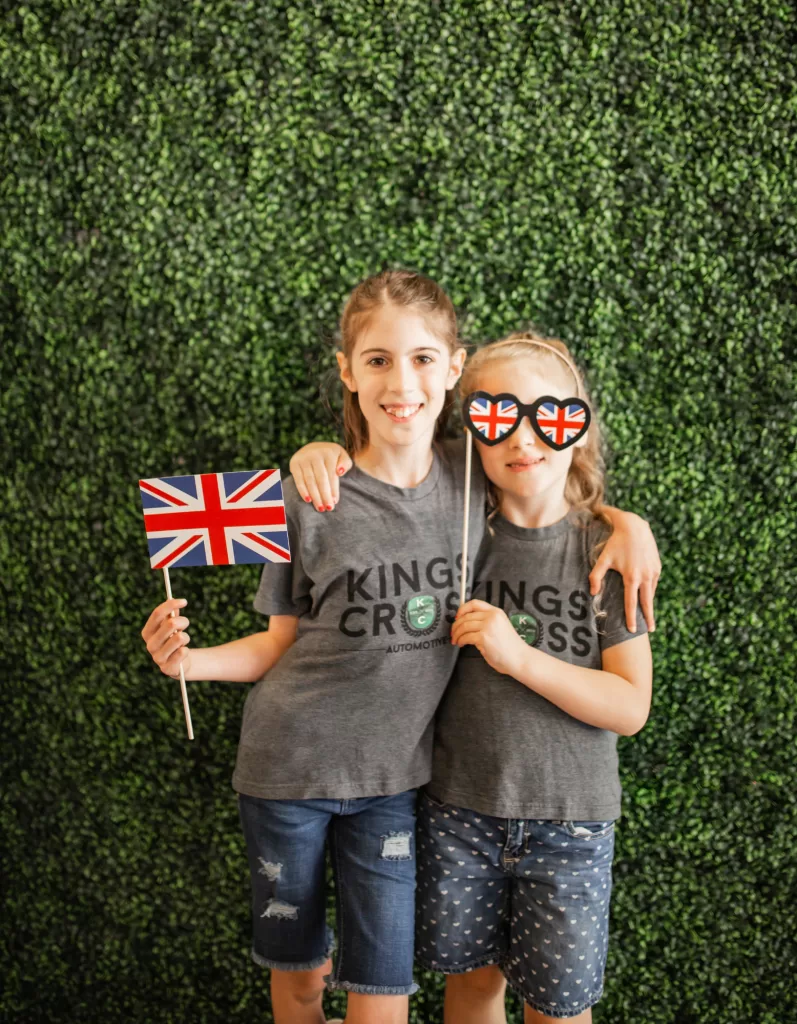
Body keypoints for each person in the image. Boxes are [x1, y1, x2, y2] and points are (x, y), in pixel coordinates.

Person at [141, 269, 482, 1024]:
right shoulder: (310, 494)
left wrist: (627, 525)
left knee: (383, 985)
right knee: (299, 977)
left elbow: (558, 493)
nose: (402, 381)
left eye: (424, 358)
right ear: (346, 371)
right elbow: (276, 646)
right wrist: (187, 662)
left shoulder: (476, 478)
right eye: (377, 359)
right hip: (284, 773)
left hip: (392, 785)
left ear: (454, 367)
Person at [415, 332, 654, 1024]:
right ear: (469, 436)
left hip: (570, 826)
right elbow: (379, 483)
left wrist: (517, 657)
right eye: (497, 418)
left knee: (556, 1008)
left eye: (548, 416)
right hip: (460, 813)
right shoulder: (453, 539)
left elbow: (629, 704)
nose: (523, 437)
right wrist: (322, 455)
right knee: (472, 986)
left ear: (577, 427)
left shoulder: (606, 555)